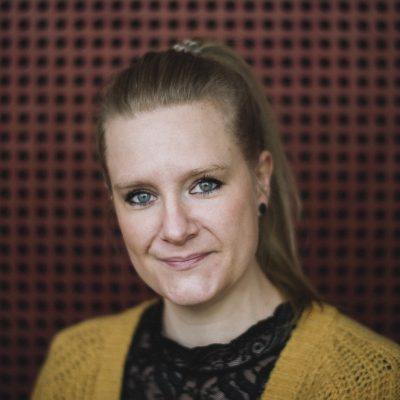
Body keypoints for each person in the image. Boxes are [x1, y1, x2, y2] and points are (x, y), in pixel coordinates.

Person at [32, 39, 399, 399]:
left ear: (261, 180)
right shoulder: (75, 364)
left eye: (204, 185)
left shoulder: (372, 383)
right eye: (141, 196)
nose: (175, 229)